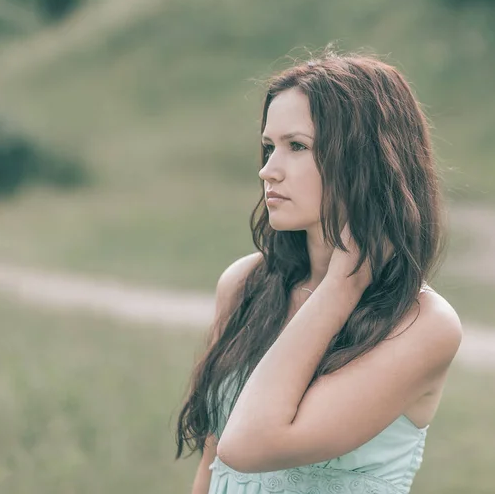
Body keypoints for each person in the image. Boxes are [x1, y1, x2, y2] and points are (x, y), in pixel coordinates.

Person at [175, 50, 463, 494]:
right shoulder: (245, 286)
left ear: (364, 162)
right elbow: (214, 467)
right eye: (270, 147)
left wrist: (340, 290)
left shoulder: (421, 324)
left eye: (297, 147)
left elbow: (250, 443)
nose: (267, 170)